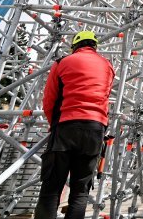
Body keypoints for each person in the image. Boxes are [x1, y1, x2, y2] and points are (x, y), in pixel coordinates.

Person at [35, 30, 115, 219]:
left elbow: (49, 99)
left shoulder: (63, 62)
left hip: (65, 128)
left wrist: (53, 125)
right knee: (80, 192)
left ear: (75, 46)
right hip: (95, 130)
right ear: (95, 46)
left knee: (51, 189)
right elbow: (105, 96)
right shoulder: (107, 66)